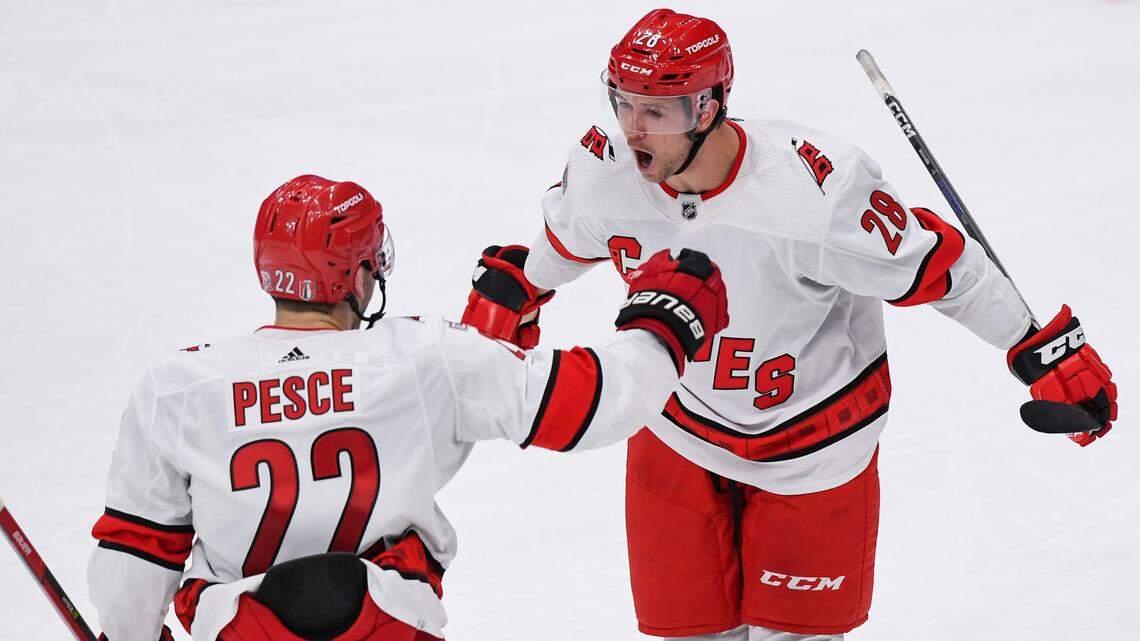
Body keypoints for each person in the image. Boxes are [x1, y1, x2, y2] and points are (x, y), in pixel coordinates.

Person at [474, 9, 1118, 641]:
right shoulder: (604, 174)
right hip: (675, 431)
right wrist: (516, 291)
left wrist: (1044, 352)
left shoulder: (815, 193)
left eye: (655, 112)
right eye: (623, 103)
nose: (631, 129)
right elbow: (556, 250)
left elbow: (942, 267)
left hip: (813, 448)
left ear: (707, 107)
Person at [86, 174, 729, 641]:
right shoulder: (426, 358)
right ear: (360, 275)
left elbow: (132, 565)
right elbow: (593, 404)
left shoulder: (179, 386)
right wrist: (662, 327)